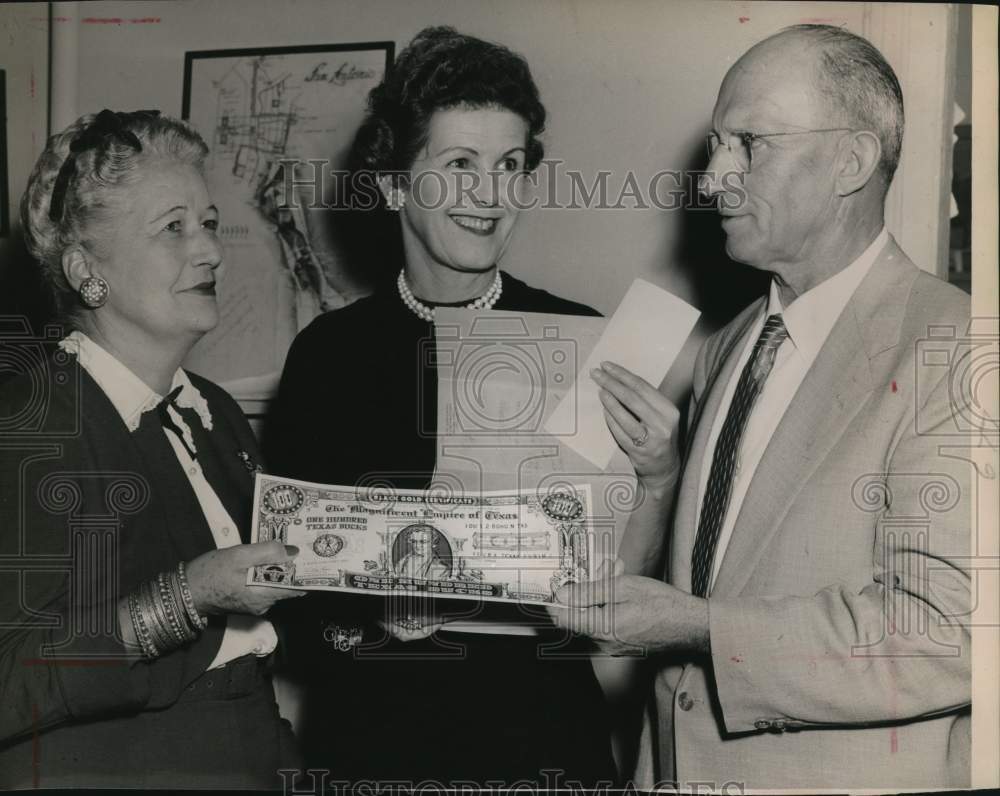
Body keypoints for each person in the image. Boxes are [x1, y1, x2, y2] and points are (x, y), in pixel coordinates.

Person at [551, 24, 972, 790]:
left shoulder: (956, 344)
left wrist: (699, 628)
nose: (714, 178)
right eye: (717, 143)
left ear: (852, 160)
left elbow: (946, 635)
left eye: (750, 143)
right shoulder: (729, 345)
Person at [264, 27, 617, 787]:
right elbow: (285, 592)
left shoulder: (579, 339)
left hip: (548, 750)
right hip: (379, 748)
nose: (490, 195)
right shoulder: (328, 358)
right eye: (459, 165)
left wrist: (655, 471)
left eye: (510, 166)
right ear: (394, 183)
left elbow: (618, 582)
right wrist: (370, 629)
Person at [0, 110, 305, 788]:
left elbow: (245, 670)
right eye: (173, 228)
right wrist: (188, 597)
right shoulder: (32, 424)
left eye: (208, 223)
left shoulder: (213, 413)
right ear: (86, 272)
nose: (210, 251)